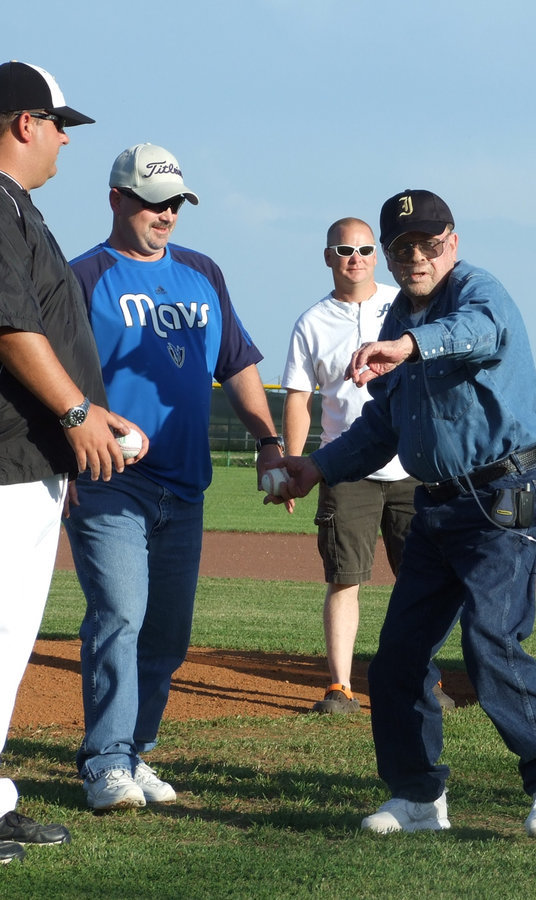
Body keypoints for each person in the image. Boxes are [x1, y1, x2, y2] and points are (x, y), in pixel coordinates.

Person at [267, 189, 536, 837]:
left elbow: (475, 333)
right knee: (398, 659)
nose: (418, 256)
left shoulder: (478, 290)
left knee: (490, 638)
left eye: (430, 243)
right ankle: (418, 797)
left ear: (453, 243)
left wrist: (409, 346)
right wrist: (317, 466)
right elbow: (382, 424)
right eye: (404, 247)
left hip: (505, 495)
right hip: (438, 501)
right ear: (389, 254)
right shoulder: (397, 322)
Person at [65, 143, 283, 812]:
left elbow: (237, 364)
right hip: (111, 482)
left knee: (166, 635)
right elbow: (57, 380)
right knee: (120, 614)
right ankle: (104, 763)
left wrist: (271, 441)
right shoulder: (83, 277)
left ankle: (134, 753)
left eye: (175, 204)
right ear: (115, 199)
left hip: (185, 485)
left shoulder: (202, 273)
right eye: (153, 202)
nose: (166, 215)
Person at [0, 59, 135, 864]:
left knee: (12, 643)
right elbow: (11, 328)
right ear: (22, 123)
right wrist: (77, 411)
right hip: (8, 462)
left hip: (27, 460)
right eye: (57, 124)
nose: (62, 140)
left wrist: (94, 410)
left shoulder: (18, 209)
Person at [281, 217, 429, 714]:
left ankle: (423, 681)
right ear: (328, 257)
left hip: (411, 464)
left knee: (422, 581)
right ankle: (341, 687)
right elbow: (299, 399)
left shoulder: (404, 305)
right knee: (346, 577)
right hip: (345, 469)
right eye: (344, 249)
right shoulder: (312, 322)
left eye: (366, 248)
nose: (356, 258)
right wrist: (296, 463)